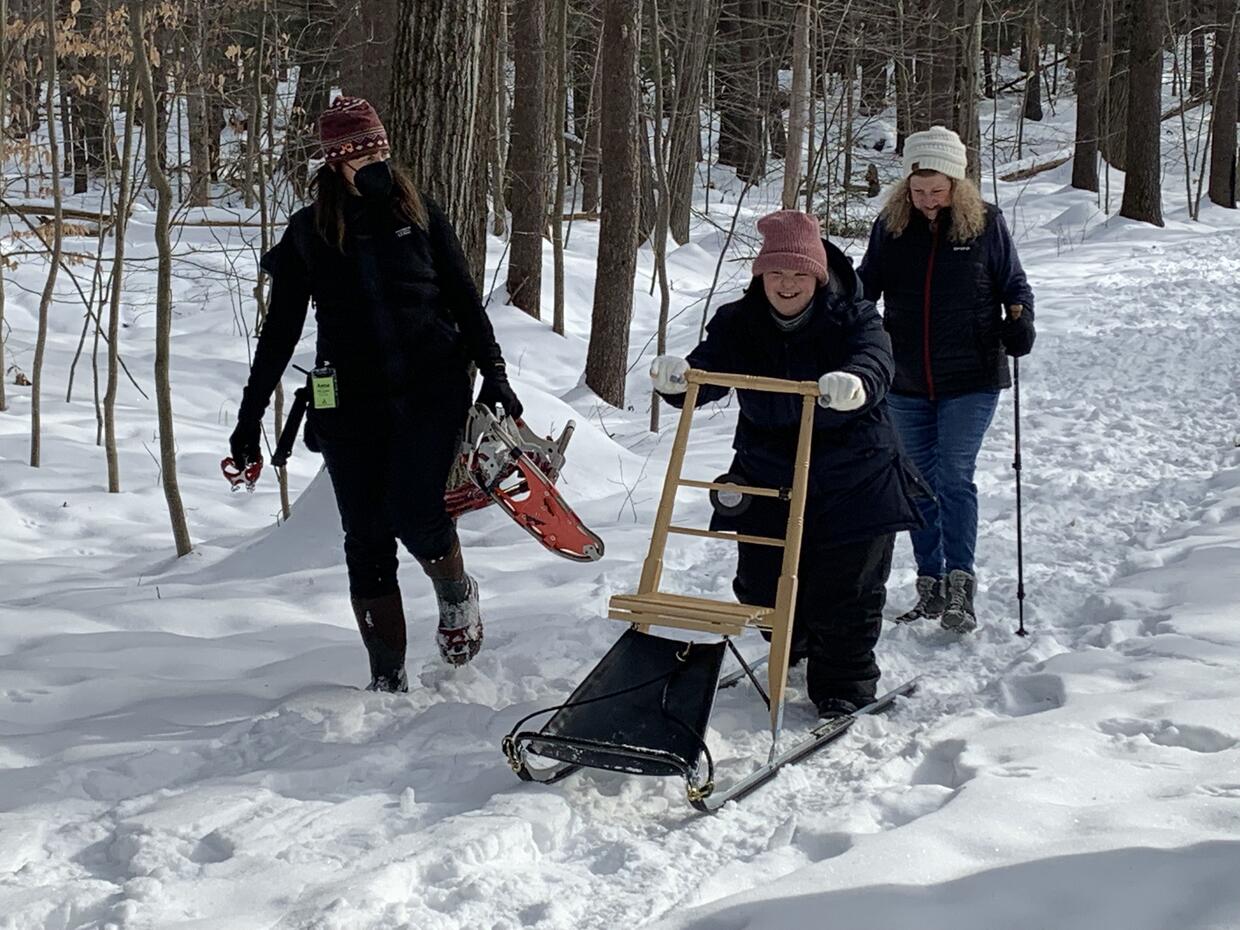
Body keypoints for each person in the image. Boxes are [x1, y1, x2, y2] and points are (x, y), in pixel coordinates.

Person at [228, 97, 523, 690]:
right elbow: (279, 334)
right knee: (364, 537)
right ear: (335, 163)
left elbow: (466, 301)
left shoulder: (420, 216)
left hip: (430, 389)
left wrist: (495, 374)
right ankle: (387, 679)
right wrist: (248, 420)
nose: (374, 160)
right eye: (360, 152)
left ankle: (456, 595)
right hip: (347, 403)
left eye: (379, 148)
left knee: (417, 513)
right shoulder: (308, 233)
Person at [650, 210, 925, 718]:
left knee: (847, 588)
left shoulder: (854, 316)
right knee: (758, 582)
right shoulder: (740, 320)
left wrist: (856, 383)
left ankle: (844, 682)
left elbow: (876, 357)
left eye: (799, 274)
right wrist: (682, 377)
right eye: (776, 273)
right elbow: (713, 365)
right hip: (768, 472)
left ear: (818, 276)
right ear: (761, 276)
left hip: (854, 473)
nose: (787, 284)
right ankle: (791, 638)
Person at [858, 125, 1035, 633]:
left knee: (953, 477)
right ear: (906, 187)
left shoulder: (986, 225)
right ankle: (929, 582)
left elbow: (1015, 285)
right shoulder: (891, 229)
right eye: (919, 191)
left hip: (972, 376)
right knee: (917, 482)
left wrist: (1021, 322)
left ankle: (961, 582)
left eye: (938, 191)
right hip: (906, 378)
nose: (929, 201)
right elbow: (867, 287)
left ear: (957, 185)